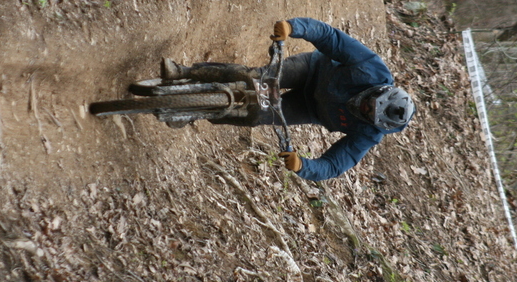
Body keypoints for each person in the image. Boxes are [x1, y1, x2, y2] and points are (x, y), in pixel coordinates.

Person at [161, 18, 415, 181]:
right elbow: (331, 37)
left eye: (367, 113)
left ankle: (196, 111)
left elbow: (336, 164)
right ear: (380, 90)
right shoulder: (372, 68)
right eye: (370, 101)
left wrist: (302, 166)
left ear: (374, 123)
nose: (364, 106)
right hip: (312, 70)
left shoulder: (369, 134)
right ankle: (185, 72)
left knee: (254, 115)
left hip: (309, 109)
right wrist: (294, 29)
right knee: (256, 79)